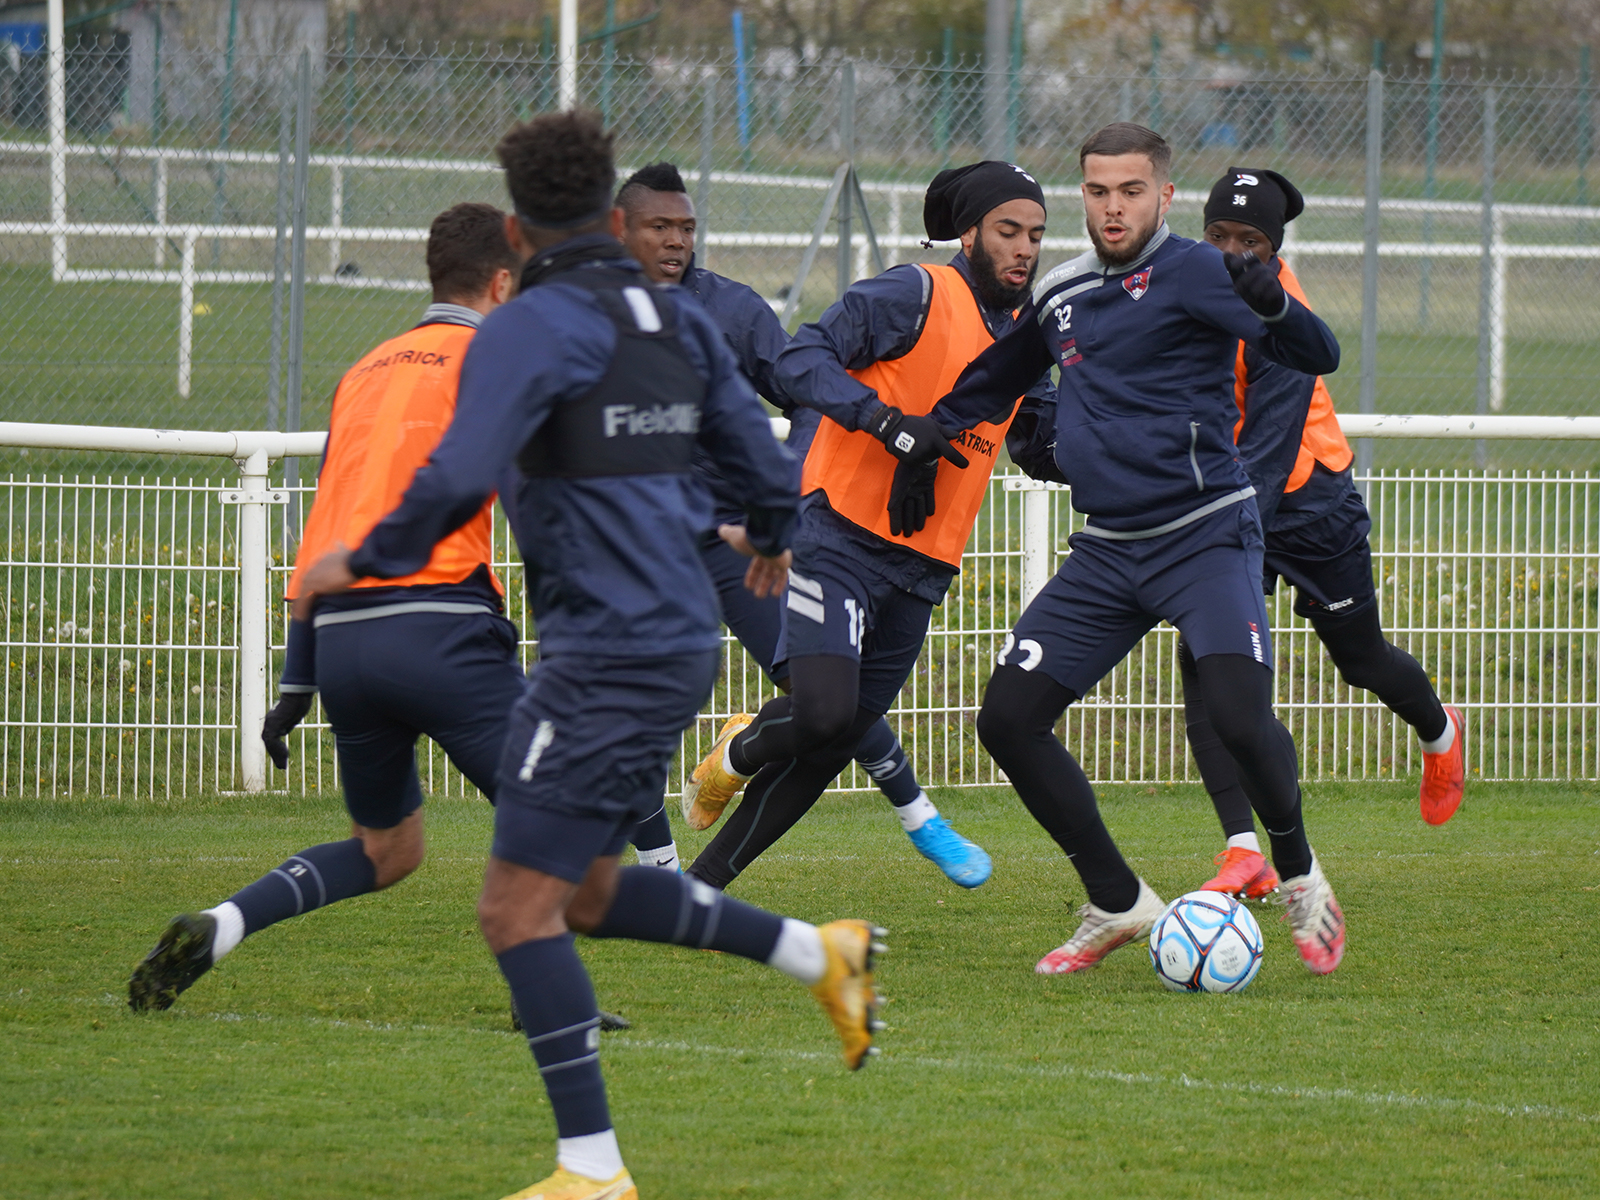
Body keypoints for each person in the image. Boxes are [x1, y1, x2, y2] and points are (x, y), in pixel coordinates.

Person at [294, 111, 883, 1200]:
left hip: (606, 647)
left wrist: (360, 556)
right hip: (668, 639)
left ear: (515, 225)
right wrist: (772, 532)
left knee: (514, 907)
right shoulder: (675, 318)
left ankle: (593, 1171)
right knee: (585, 894)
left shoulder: (527, 326)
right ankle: (820, 955)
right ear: (615, 214)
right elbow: (756, 453)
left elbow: (458, 470)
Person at [930, 124, 1350, 977]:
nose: (1112, 207)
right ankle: (1117, 899)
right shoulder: (1063, 292)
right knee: (1007, 719)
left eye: (1129, 191)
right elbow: (998, 377)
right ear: (1081, 195)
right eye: (1096, 191)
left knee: (1237, 717)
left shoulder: (1200, 269)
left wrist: (1270, 301)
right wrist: (923, 435)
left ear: (1163, 195)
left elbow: (1317, 352)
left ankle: (1300, 871)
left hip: (1205, 538)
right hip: (1110, 553)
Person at [128, 202, 525, 1012]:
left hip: (344, 641)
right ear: (501, 282)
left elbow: (325, 533)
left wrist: (296, 684)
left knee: (386, 849)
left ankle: (222, 924)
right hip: (439, 624)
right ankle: (546, 1001)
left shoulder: (365, 370)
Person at [680, 160, 1054, 893]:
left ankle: (698, 887)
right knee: (823, 713)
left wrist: (1130, 450)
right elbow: (800, 358)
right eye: (1008, 231)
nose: (1024, 249)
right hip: (836, 536)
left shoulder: (1030, 338)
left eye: (1037, 235)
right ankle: (740, 752)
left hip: (924, 566)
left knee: (828, 741)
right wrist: (885, 423)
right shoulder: (912, 291)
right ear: (970, 232)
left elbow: (1041, 444)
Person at [614, 160, 960, 884]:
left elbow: (804, 389)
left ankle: (916, 813)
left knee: (823, 688)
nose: (677, 242)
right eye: (660, 228)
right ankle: (662, 873)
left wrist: (798, 480)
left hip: (731, 540)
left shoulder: (733, 312)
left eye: (686, 229)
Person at [1185, 167, 1465, 901]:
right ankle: (1243, 848)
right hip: (1233, 496)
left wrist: (1210, 537)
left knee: (1361, 659)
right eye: (1218, 236)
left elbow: (1271, 458)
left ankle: (1440, 734)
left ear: (1275, 250)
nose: (1232, 252)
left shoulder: (1284, 313)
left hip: (1309, 506)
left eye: (1251, 241)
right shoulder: (1193, 288)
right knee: (1210, 668)